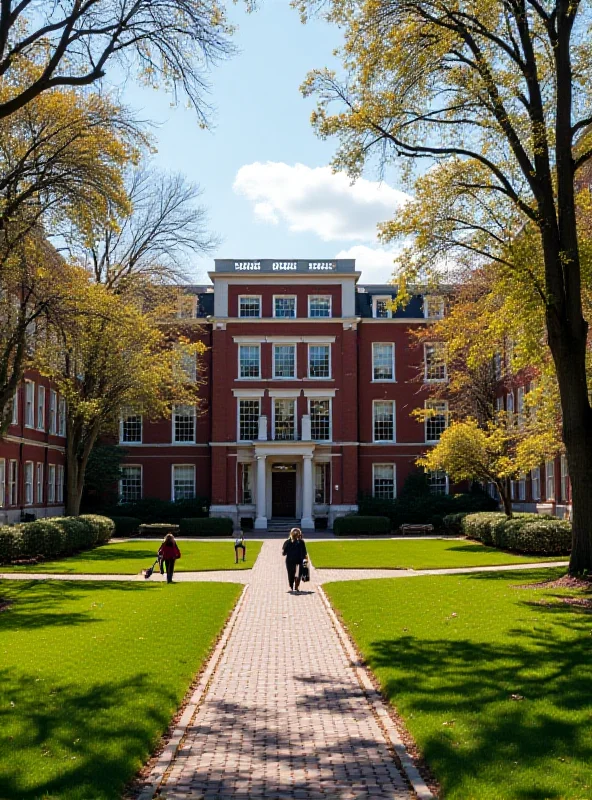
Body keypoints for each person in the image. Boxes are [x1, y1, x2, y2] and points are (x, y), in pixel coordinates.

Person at [282, 527, 307, 592]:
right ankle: (296, 586)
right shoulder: (301, 542)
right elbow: (304, 552)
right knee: (298, 574)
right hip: (299, 560)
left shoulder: (287, 542)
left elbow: (284, 553)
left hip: (290, 560)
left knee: (290, 574)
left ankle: (291, 586)